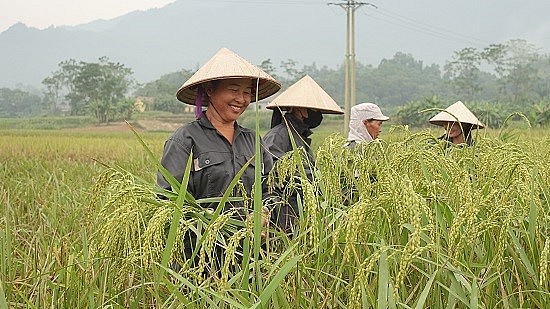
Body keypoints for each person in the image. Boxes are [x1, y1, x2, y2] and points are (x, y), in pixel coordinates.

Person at [157, 47, 281, 271]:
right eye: (234, 90)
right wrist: (209, 220)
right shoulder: (185, 140)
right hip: (198, 260)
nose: (241, 99)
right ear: (209, 90)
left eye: (247, 93)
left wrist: (263, 213)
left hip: (248, 259)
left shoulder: (253, 141)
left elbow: (270, 188)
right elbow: (169, 202)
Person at [263, 74, 344, 233]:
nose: (317, 113)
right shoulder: (278, 136)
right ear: (299, 108)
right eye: (314, 109)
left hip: (302, 211)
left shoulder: (299, 136)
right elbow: (272, 177)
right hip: (286, 215)